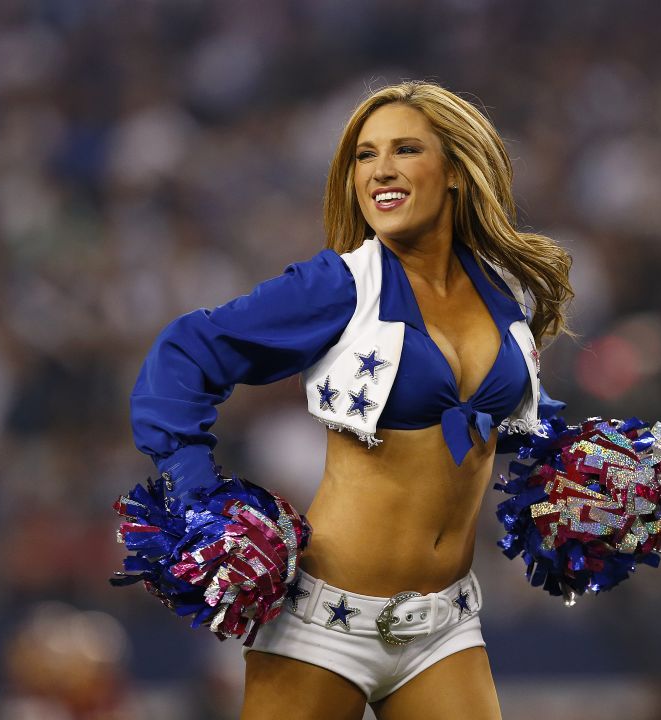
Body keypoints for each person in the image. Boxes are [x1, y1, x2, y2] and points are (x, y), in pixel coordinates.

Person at [130, 81, 573, 720]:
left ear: (454, 169)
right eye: (364, 156)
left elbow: (510, 428)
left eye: (404, 149)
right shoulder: (340, 286)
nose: (380, 170)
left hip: (444, 625)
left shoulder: (506, 296)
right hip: (322, 624)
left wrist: (575, 476)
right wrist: (201, 499)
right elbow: (185, 353)